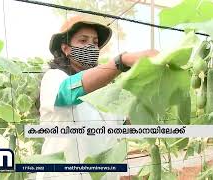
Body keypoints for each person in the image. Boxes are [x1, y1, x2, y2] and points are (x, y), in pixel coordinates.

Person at [36, 16, 158, 180]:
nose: (90, 46)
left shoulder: (106, 89)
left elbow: (124, 124)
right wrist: (121, 62)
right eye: (83, 40)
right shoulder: (54, 78)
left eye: (94, 43)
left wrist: (147, 90)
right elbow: (69, 93)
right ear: (66, 48)